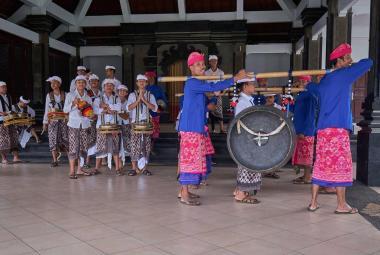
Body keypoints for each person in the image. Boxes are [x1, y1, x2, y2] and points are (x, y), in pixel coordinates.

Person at [308, 43, 373, 213]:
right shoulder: (345, 74)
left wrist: (310, 82)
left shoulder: (325, 81)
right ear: (340, 61)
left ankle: (314, 203)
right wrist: (350, 65)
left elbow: (312, 88)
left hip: (322, 130)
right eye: (348, 57)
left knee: (321, 163)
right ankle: (341, 205)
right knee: (341, 166)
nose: (350, 60)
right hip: (338, 129)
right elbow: (368, 62)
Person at [177, 51, 248, 206]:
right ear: (191, 68)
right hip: (190, 128)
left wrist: (213, 99)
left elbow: (207, 102)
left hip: (197, 127)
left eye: (202, 64)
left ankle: (187, 191)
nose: (201, 66)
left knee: (194, 160)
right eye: (198, 64)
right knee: (189, 161)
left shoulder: (199, 84)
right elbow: (213, 86)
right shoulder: (192, 82)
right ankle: (183, 194)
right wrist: (235, 79)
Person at [233, 78, 261, 204]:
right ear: (245, 86)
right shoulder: (242, 103)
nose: (254, 86)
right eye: (252, 84)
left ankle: (239, 191)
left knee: (247, 166)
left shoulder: (247, 101)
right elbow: (241, 122)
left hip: (250, 138)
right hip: (246, 139)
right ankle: (241, 194)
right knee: (246, 166)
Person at [127, 74, 158, 176]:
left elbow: (154, 108)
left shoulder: (150, 95)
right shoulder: (132, 95)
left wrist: (144, 100)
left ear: (146, 83)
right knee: (134, 145)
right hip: (135, 123)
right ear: (137, 83)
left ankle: (145, 168)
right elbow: (129, 108)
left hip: (146, 123)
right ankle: (134, 168)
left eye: (143, 81)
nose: (141, 83)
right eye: (139, 81)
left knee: (146, 145)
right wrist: (138, 99)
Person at [64, 75, 93, 179]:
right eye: (78, 82)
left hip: (85, 125)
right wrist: (73, 103)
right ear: (75, 84)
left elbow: (90, 112)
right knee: (73, 147)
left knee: (83, 147)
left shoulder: (88, 97)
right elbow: (65, 110)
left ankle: (80, 170)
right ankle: (72, 171)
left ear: (85, 84)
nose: (81, 84)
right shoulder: (70, 95)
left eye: (83, 82)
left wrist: (90, 115)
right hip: (73, 124)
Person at [93, 79, 122, 175]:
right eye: (107, 85)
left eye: (111, 85)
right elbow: (95, 110)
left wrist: (105, 106)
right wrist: (108, 109)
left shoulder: (117, 98)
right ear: (103, 87)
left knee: (115, 147)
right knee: (100, 147)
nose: (109, 87)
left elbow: (118, 108)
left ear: (113, 88)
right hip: (101, 126)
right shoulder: (98, 99)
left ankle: (118, 168)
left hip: (114, 127)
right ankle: (97, 168)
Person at [292, 75, 316, 184]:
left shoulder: (310, 95)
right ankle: (305, 175)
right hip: (299, 129)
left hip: (306, 130)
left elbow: (310, 115)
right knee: (302, 154)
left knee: (307, 155)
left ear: (308, 82)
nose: (301, 83)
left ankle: (308, 177)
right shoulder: (301, 94)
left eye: (303, 81)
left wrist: (304, 131)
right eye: (300, 81)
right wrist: (293, 93)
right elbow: (293, 109)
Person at [43, 76, 69, 167]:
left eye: (55, 83)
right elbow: (47, 109)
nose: (53, 85)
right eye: (51, 83)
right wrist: (45, 122)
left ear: (59, 84)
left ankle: (71, 159)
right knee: (52, 139)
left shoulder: (65, 94)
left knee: (66, 139)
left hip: (64, 121)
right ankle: (55, 160)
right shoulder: (49, 95)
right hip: (53, 121)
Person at [0, 81, 21, 164]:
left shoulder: (8, 96)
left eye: (5, 87)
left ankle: (16, 157)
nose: (5, 88)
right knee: (2, 139)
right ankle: (3, 158)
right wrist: (2, 113)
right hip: (1, 120)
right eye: (2, 87)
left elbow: (10, 107)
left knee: (13, 137)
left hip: (10, 119)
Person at [145, 71, 167, 148]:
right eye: (148, 77)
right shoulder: (143, 89)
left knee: (154, 133)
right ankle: (147, 149)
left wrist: (161, 106)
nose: (150, 79)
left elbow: (163, 101)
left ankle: (151, 148)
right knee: (146, 131)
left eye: (151, 77)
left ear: (154, 78)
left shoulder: (158, 89)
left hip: (155, 113)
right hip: (145, 115)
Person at [205, 55, 226, 133]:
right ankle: (211, 128)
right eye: (212, 61)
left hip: (218, 94)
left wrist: (222, 93)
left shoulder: (221, 72)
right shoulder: (206, 72)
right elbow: (204, 84)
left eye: (215, 61)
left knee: (219, 111)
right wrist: (207, 94)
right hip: (209, 95)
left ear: (217, 62)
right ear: (209, 62)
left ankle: (222, 128)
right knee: (209, 112)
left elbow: (224, 84)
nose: (214, 62)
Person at [85, 74, 102, 169]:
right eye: (92, 81)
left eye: (96, 81)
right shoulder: (86, 93)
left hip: (99, 119)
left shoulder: (101, 93)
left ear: (98, 82)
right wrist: (90, 115)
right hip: (89, 119)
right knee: (89, 140)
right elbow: (84, 106)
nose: (94, 82)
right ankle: (87, 161)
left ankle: (100, 160)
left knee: (98, 140)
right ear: (89, 83)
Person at [117, 85, 130, 166]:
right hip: (117, 125)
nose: (122, 92)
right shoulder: (115, 101)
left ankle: (124, 162)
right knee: (117, 144)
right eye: (120, 90)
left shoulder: (129, 102)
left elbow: (126, 116)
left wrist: (118, 111)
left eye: (124, 90)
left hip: (126, 125)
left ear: (126, 93)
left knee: (126, 143)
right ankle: (119, 164)